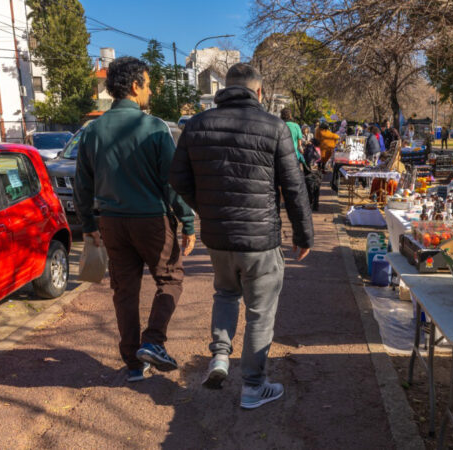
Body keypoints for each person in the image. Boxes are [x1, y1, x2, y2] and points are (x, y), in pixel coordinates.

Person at [170, 63, 314, 409]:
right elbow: (294, 188)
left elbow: (178, 178)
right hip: (260, 238)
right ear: (259, 91)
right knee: (260, 312)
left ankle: (220, 356)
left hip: (218, 237)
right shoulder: (274, 127)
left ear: (224, 89)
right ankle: (253, 386)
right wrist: (303, 234)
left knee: (225, 293)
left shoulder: (197, 125)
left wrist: (205, 208)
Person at [74, 56, 196, 383]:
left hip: (111, 222)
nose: (151, 90)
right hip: (152, 220)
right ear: (134, 86)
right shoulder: (153, 128)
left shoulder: (91, 131)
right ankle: (154, 341)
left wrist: (88, 227)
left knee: (124, 290)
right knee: (170, 278)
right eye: (148, 83)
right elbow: (171, 183)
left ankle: (133, 362)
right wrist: (187, 221)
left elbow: (82, 185)